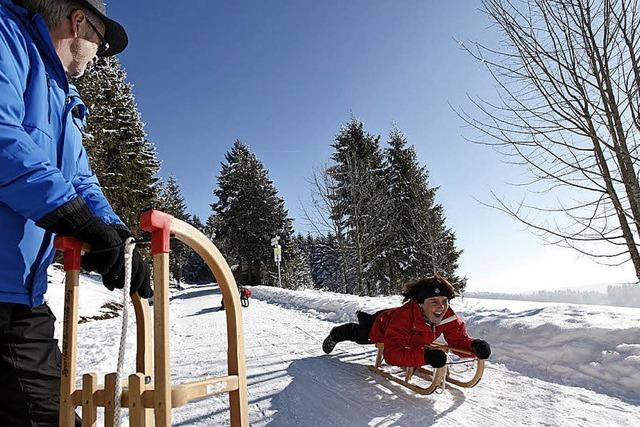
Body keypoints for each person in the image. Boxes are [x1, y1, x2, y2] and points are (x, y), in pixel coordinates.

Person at [0, 1, 152, 425]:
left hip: (19, 294)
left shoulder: (63, 97)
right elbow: (3, 137)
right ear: (78, 20)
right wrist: (74, 218)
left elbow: (82, 180)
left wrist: (116, 235)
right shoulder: (7, 38)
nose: (99, 54)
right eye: (100, 41)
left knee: (60, 413)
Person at [322, 276, 491, 369]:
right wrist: (425, 357)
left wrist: (474, 346)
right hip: (381, 324)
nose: (441, 307)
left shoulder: (448, 316)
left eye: (444, 300)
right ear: (420, 304)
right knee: (360, 334)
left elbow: (458, 341)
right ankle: (335, 334)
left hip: (408, 335)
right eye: (434, 301)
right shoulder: (404, 318)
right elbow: (392, 354)